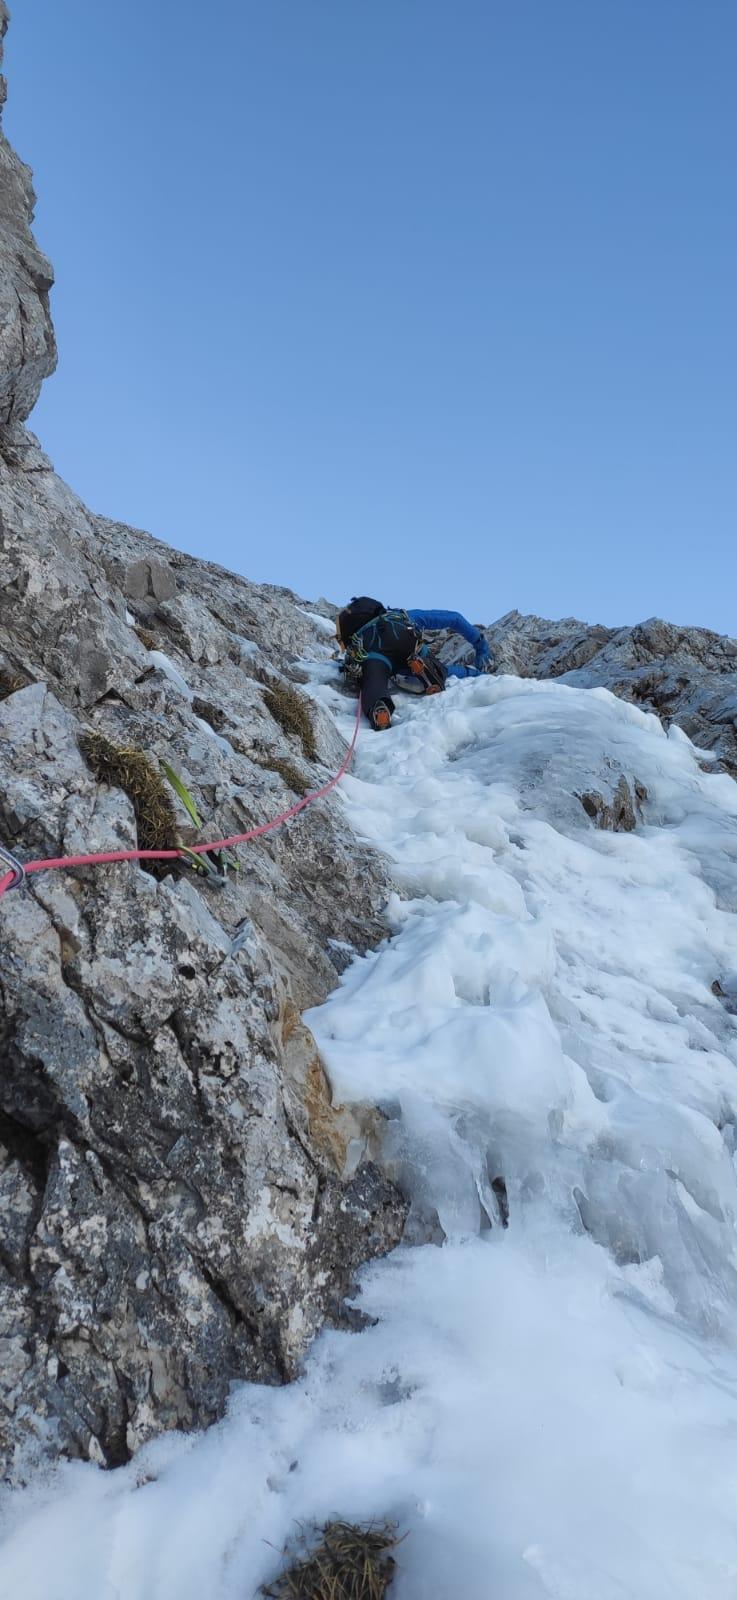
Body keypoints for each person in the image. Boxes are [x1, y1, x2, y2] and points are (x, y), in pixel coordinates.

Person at [336, 596, 492, 730]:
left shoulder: (360, 636)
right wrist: (480, 645)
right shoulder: (399, 616)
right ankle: (427, 668)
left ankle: (379, 707)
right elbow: (454, 618)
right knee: (433, 665)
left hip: (374, 652)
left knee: (374, 679)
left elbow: (355, 670)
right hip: (405, 637)